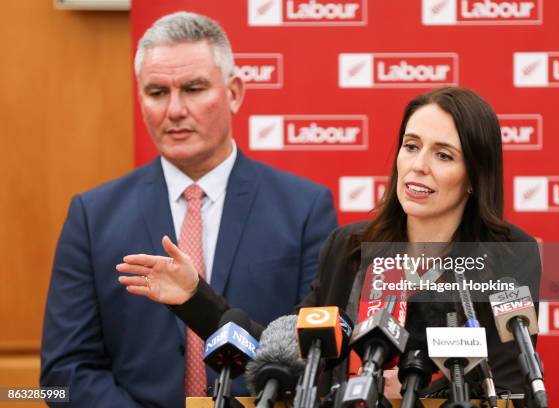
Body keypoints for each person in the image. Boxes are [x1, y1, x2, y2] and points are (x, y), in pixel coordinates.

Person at [117, 87, 542, 401]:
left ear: (474, 177)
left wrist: (419, 390)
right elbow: (293, 352)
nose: (418, 165)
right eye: (411, 146)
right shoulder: (352, 247)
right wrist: (194, 297)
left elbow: (506, 382)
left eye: (443, 155)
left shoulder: (506, 255)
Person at [40, 11, 337, 407]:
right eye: (157, 92)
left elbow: (314, 361)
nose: (175, 110)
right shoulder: (93, 217)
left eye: (194, 89)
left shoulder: (304, 210)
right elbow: (63, 373)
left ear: (233, 92)